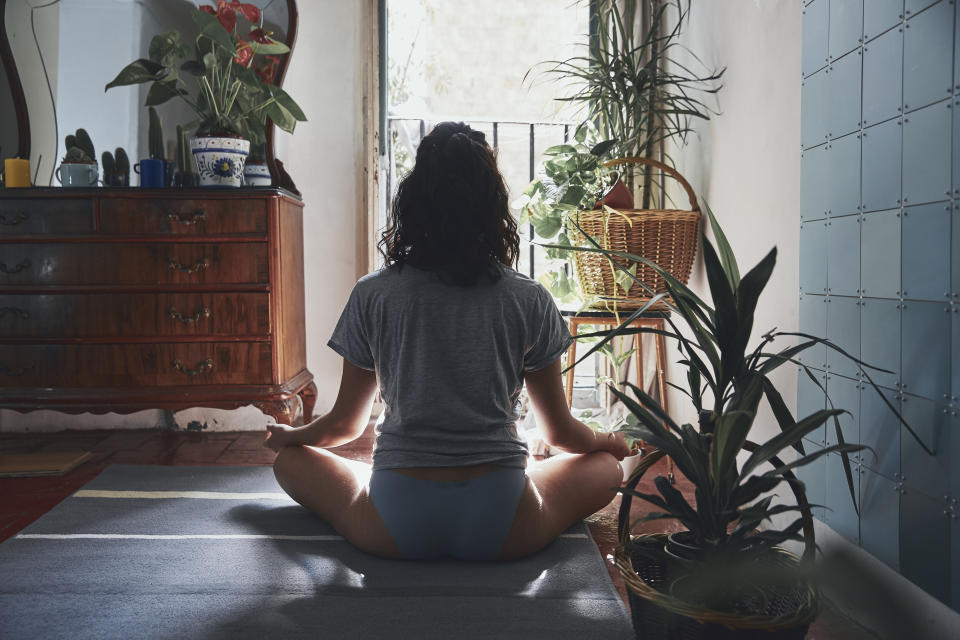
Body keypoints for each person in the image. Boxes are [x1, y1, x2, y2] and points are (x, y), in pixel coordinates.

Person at [264, 121, 635, 561]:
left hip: (392, 524)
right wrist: (606, 440)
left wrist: (292, 435)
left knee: (289, 460)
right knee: (607, 466)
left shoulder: (374, 293)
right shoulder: (528, 297)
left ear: (414, 203)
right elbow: (560, 434)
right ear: (493, 205)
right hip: (504, 525)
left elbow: (346, 426)